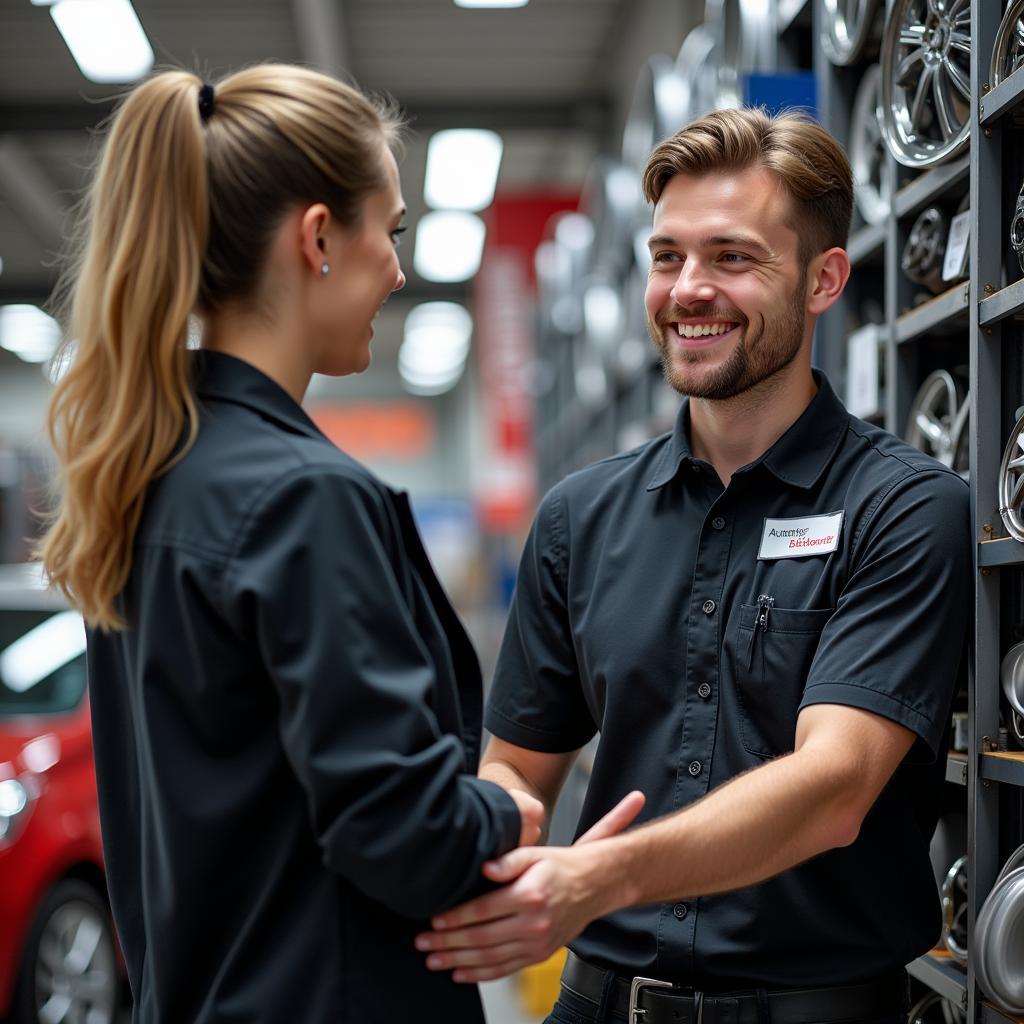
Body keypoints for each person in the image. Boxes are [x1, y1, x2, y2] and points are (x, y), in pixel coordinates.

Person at [415, 108, 972, 1024]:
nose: (689, 290)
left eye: (733, 257)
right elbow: (518, 767)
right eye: (667, 257)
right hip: (598, 1005)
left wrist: (594, 877)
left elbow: (832, 788)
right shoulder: (578, 518)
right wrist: (480, 838)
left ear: (824, 278)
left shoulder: (903, 509)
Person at [35, 64, 559, 1024]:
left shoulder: (150, 479)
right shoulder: (304, 499)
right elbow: (397, 827)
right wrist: (503, 809)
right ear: (319, 238)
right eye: (389, 234)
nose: (398, 271)